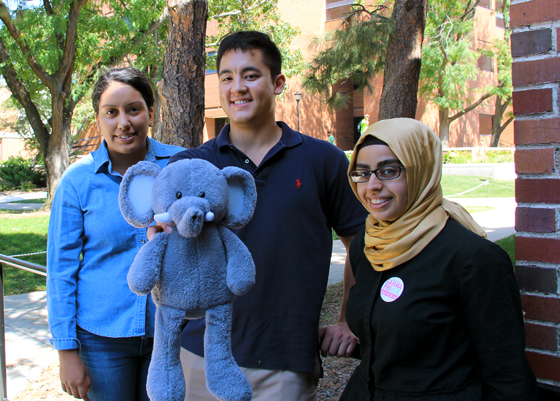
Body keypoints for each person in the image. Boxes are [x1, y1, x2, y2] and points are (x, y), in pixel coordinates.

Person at [150, 30, 368, 400]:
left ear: (278, 82)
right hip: (199, 353)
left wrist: (347, 319)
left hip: (283, 361)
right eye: (227, 77)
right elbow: (161, 240)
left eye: (250, 75)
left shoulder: (322, 160)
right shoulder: (190, 166)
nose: (238, 88)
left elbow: (362, 243)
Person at [341, 118, 538, 400]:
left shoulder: (472, 258)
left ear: (422, 169)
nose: (371, 185)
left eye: (388, 170)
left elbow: (507, 374)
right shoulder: (367, 243)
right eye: (361, 172)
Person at [47, 67, 184, 401]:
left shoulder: (179, 165)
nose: (123, 122)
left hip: (170, 333)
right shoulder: (78, 181)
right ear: (99, 119)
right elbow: (60, 271)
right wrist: (66, 352)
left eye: (133, 109)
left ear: (151, 113)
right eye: (112, 112)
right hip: (101, 339)